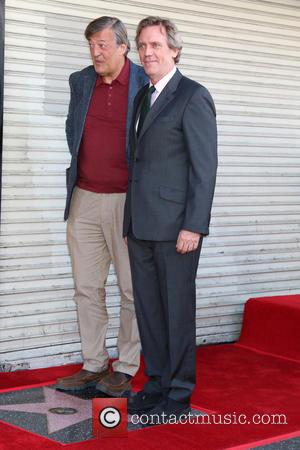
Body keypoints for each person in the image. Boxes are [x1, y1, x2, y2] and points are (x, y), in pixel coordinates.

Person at [124, 16, 218, 420]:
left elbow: (205, 167)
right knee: (149, 310)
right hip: (141, 225)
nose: (147, 53)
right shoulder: (141, 97)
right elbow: (138, 165)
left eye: (156, 45)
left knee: (177, 312)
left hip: (177, 228)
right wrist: (129, 221)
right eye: (142, 45)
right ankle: (158, 381)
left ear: (174, 50)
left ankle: (179, 393)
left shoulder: (193, 96)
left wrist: (194, 225)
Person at [56, 16, 148, 396]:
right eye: (91, 44)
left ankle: (125, 366)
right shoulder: (81, 81)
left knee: (131, 290)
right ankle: (93, 364)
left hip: (129, 201)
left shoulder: (145, 81)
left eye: (103, 44)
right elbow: (71, 127)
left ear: (124, 47)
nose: (95, 51)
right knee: (86, 288)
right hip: (84, 198)